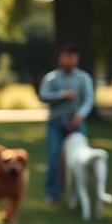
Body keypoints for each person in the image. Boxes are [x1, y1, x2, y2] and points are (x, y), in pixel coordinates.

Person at [39, 45, 94, 202]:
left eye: (72, 56)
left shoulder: (84, 78)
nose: (69, 60)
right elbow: (43, 95)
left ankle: (78, 192)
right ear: (60, 58)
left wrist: (80, 115)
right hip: (56, 123)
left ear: (76, 59)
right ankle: (52, 191)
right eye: (66, 56)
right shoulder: (52, 78)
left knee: (80, 157)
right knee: (54, 155)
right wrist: (62, 95)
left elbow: (88, 99)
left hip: (76, 124)